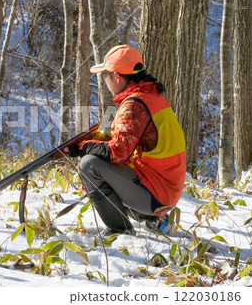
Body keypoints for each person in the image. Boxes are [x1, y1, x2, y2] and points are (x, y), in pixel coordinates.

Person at [65, 45, 186, 237]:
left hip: (157, 193)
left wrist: (84, 147)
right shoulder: (150, 96)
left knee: (89, 165)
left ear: (117, 77)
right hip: (165, 187)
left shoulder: (134, 104)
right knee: (97, 162)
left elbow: (117, 153)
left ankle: (119, 231)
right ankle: (151, 219)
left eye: (105, 75)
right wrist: (94, 142)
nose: (104, 81)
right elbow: (128, 146)